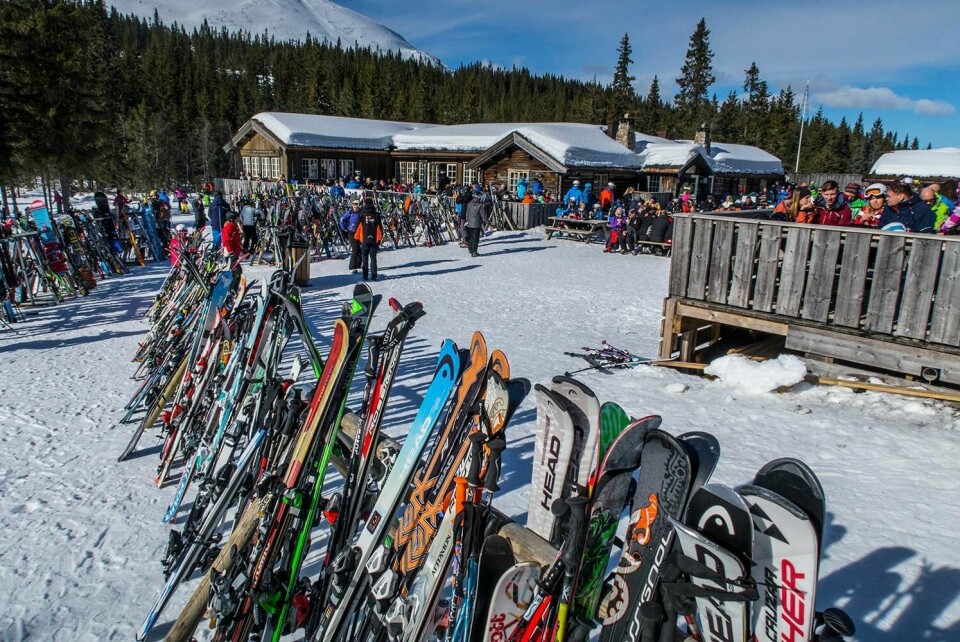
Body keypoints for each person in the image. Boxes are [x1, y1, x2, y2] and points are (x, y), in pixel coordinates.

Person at [354, 197, 383, 281]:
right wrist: (379, 239)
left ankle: (365, 275)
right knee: (373, 258)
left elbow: (358, 227)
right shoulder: (376, 215)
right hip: (374, 239)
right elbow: (380, 228)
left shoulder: (361, 214)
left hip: (364, 239)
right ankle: (374, 276)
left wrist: (356, 238)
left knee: (364, 257)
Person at [463, 186, 489, 257]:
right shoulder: (480, 206)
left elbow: (467, 214)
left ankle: (470, 249)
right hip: (476, 224)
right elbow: (483, 215)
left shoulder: (469, 204)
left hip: (470, 223)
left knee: (471, 237)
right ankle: (474, 251)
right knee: (475, 238)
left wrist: (467, 220)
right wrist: (487, 222)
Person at [340, 199, 362, 272]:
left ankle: (358, 265)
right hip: (351, 233)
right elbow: (342, 219)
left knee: (359, 249)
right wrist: (344, 228)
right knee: (355, 249)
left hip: (359, 233)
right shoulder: (349, 213)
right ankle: (352, 266)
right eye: (354, 204)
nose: (355, 206)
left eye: (357, 204)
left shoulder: (361, 213)